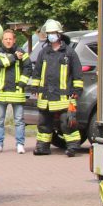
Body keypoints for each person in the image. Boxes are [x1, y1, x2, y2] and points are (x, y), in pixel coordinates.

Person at [29, 18, 84, 157]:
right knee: (43, 123)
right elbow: (37, 72)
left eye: (53, 32)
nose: (51, 35)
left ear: (59, 34)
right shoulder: (44, 53)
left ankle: (72, 146)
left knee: (67, 122)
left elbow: (77, 73)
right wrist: (34, 87)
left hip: (64, 96)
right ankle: (42, 147)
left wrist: (77, 90)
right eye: (49, 33)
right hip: (46, 96)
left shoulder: (69, 53)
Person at [0, 28, 30, 154]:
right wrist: (13, 57)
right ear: (2, 40)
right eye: (6, 39)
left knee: (19, 120)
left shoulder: (21, 52)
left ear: (14, 40)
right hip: (1, 91)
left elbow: (28, 67)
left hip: (17, 92)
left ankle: (20, 144)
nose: (8, 41)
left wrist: (23, 82)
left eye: (10, 39)